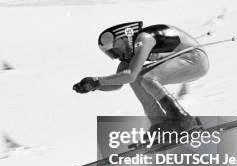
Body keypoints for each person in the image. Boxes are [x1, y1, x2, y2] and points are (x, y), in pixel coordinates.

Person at [73, 22, 209, 131]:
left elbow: (130, 75)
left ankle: (182, 119)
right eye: (111, 54)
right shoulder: (130, 54)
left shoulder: (144, 38)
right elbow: (117, 83)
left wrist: (98, 81)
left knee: (146, 77)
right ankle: (160, 123)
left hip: (195, 59)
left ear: (125, 38)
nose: (116, 56)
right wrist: (93, 85)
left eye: (116, 50)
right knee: (138, 78)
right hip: (186, 62)